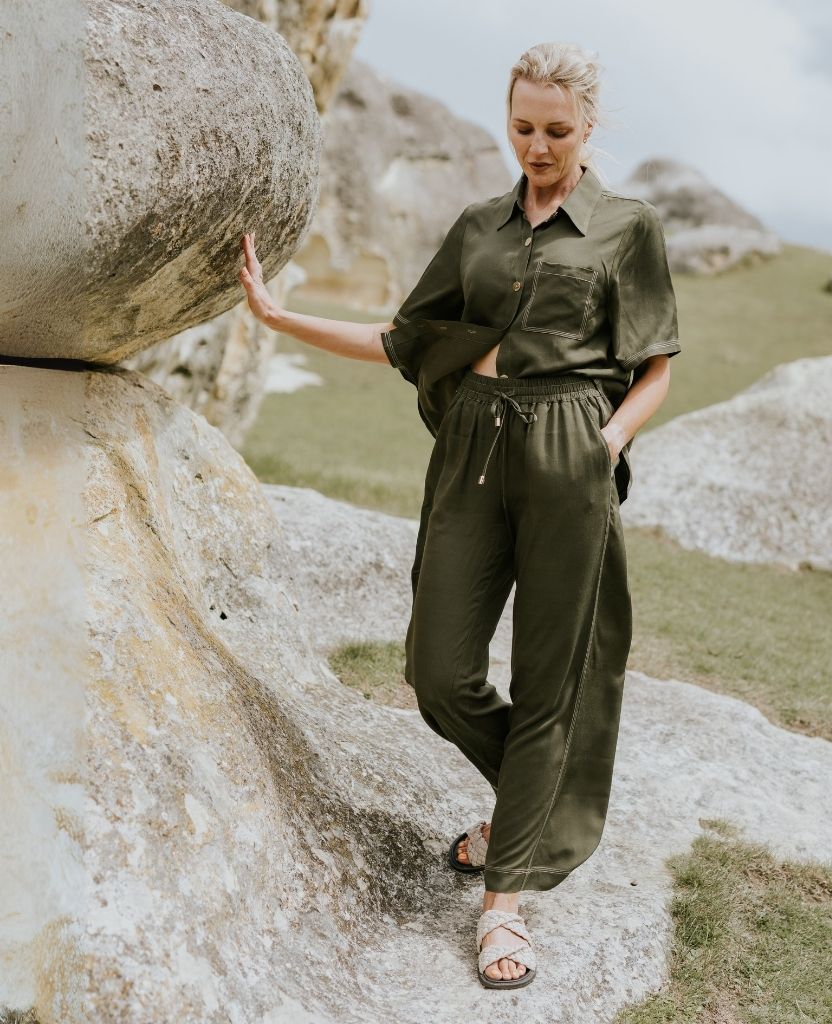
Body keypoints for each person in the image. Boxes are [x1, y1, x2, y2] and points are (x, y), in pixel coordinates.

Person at [239, 41, 680, 990]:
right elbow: (403, 339)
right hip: (474, 445)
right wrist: (278, 318)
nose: (538, 147)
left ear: (588, 127)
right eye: (523, 127)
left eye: (557, 131)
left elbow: (655, 368)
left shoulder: (626, 228)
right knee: (437, 672)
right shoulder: (480, 227)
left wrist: (607, 442)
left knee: (550, 681)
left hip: (571, 451)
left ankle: (503, 904)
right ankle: (537, 812)